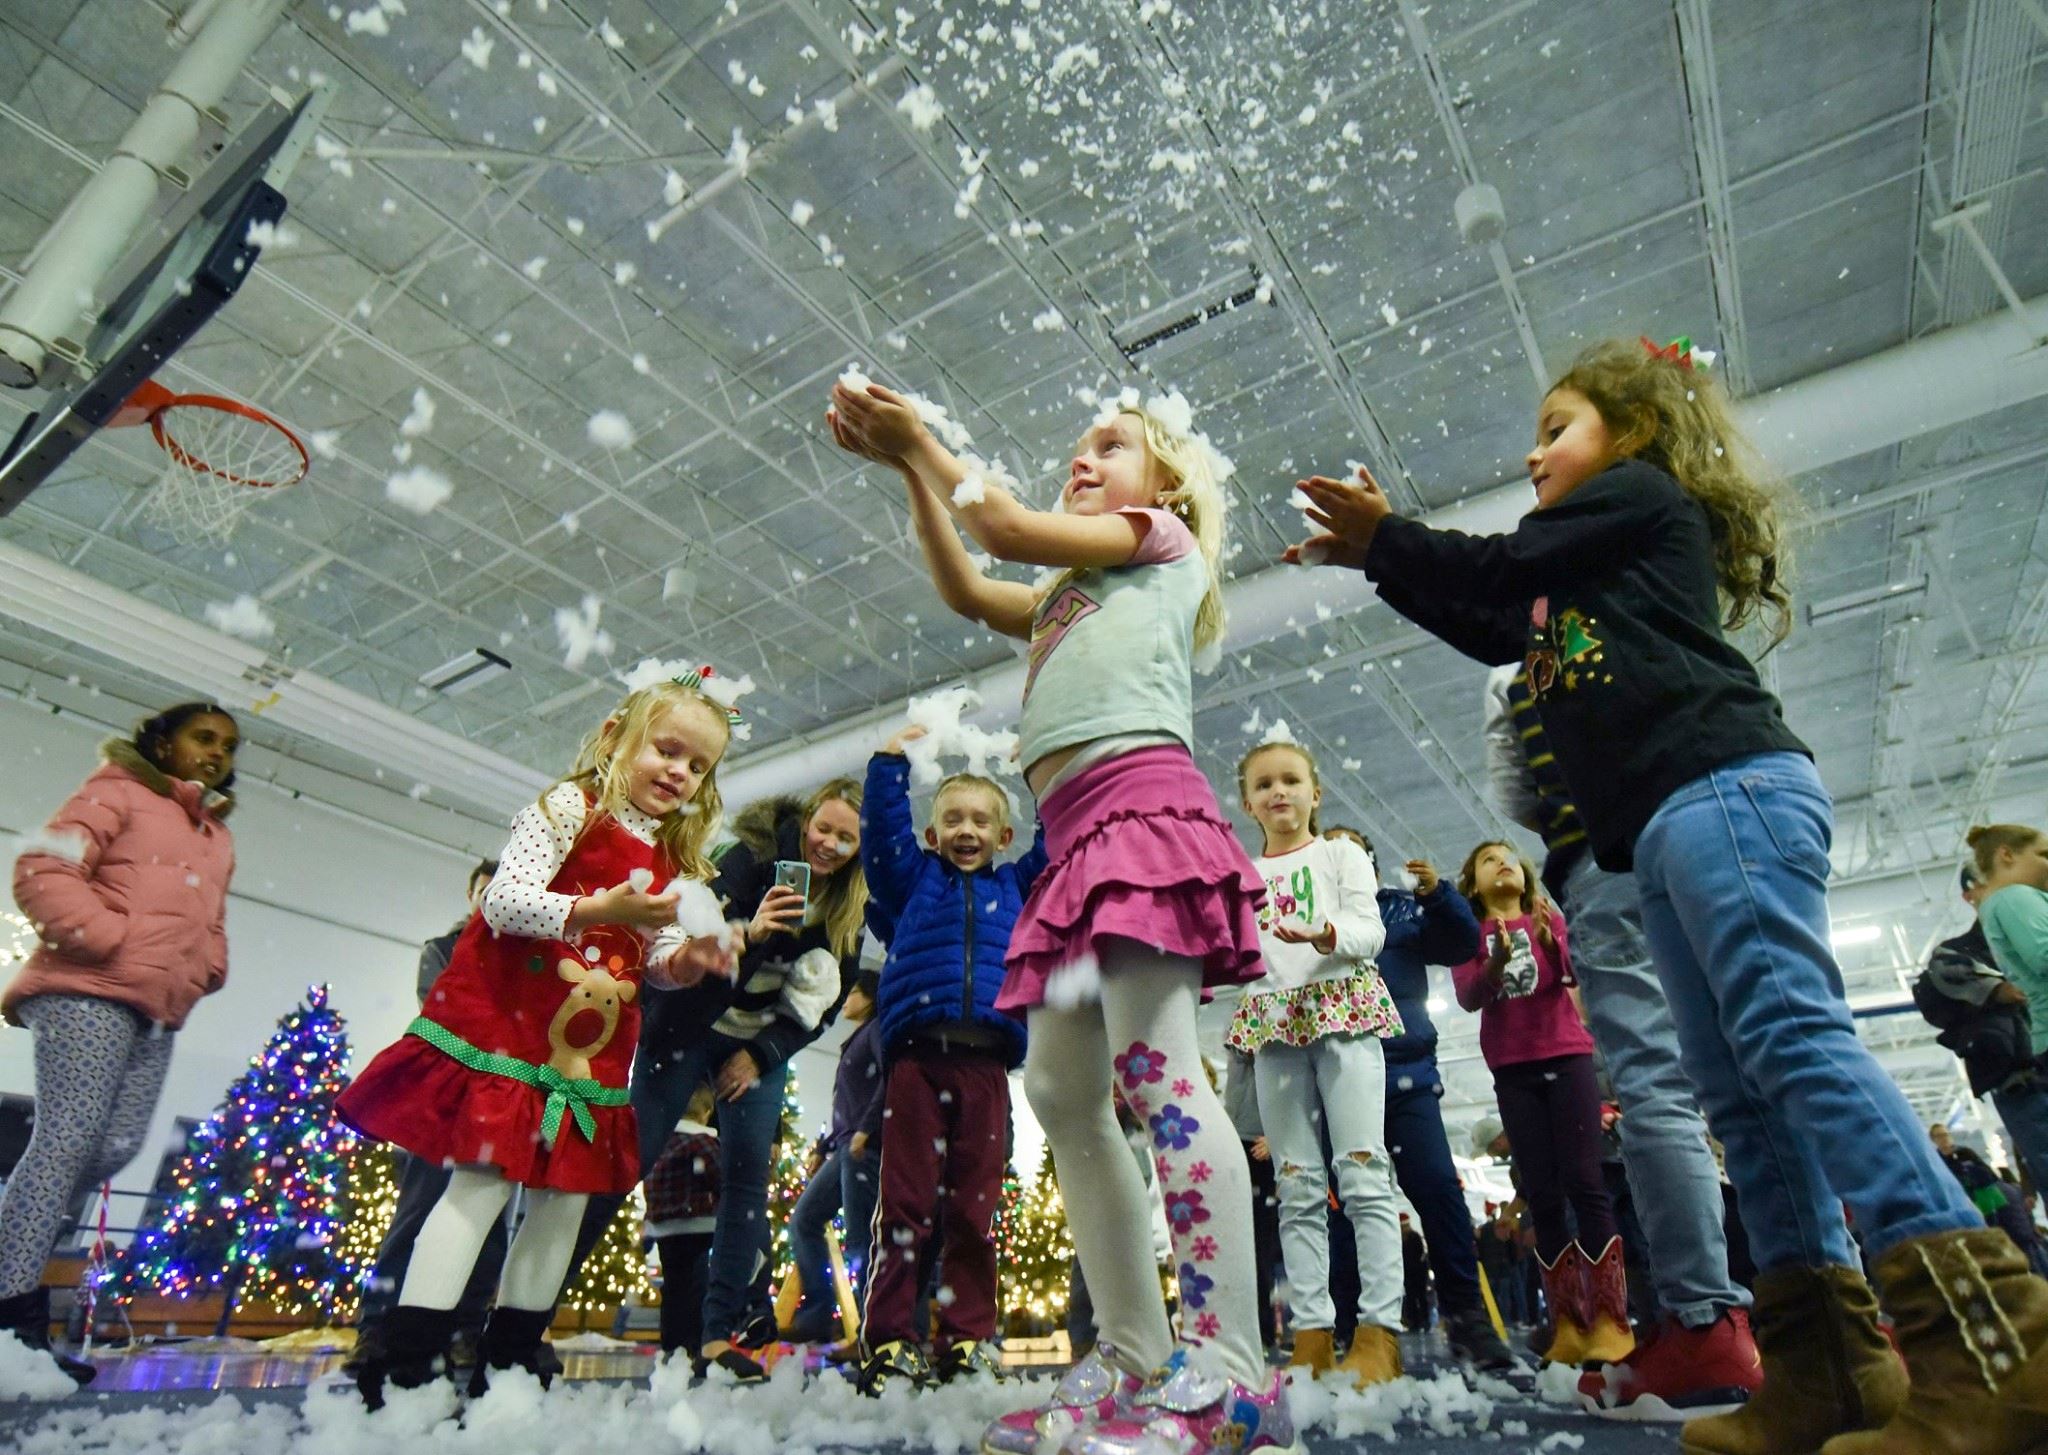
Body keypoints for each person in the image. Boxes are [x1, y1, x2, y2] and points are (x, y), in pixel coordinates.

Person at [1292, 334, 2047, 1455]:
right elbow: (1493, 619)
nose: (1533, 452)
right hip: (1659, 825)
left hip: (1723, 787)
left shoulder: (1637, 500)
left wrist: (1387, 536)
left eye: (1555, 429)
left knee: (1790, 1040)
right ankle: (1824, 1364)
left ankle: (1992, 1340)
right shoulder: (1574, 588)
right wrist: (1380, 562)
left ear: (1630, 435)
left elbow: (1497, 571)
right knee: (1733, 1091)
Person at [828, 380, 1293, 1455]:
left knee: (1158, 1073)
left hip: (1139, 813)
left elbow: (992, 520)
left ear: (1164, 481)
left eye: (1109, 445)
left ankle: (1230, 1374)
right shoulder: (1058, 600)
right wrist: (907, 470)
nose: (1081, 460)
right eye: (1076, 449)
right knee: (1058, 1089)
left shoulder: (1156, 538)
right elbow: (964, 582)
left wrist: (926, 438)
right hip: (1077, 843)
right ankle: (1133, 1351)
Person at [336, 671, 742, 1405]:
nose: (678, 771)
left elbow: (653, 962)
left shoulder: (674, 863)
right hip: (510, 1034)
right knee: (480, 1188)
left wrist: (691, 960)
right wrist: (595, 909)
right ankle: (407, 1359)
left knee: (564, 1200)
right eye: (667, 749)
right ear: (619, 735)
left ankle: (514, 1355)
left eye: (697, 764)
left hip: (587, 1057)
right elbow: (505, 898)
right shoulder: (568, 807)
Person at [1482, 663, 1761, 1419]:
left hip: (1605, 855)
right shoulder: (1646, 607)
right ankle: (1826, 1307)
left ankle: (1705, 1318)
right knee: (1762, 1066)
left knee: (1656, 1090)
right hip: (1717, 827)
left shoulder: (1521, 668)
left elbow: (1516, 790)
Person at [0, 703, 240, 1386]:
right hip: (85, 988)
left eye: (227, 745)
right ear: (161, 741)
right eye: (203, 737)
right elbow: (43, 866)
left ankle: (10, 1270)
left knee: (117, 1145)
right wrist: (109, 938)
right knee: (66, 1140)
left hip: (158, 1008)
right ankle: (11, 1306)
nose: (216, 753)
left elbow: (211, 921)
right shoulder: (118, 789)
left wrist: (205, 970)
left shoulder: (216, 836)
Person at [623, 774, 870, 1381]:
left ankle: (718, 1337)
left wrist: (760, 1055)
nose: (831, 846)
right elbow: (702, 954)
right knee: (624, 1156)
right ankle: (526, 1316)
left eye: (846, 838)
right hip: (689, 1025)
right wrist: (756, 934)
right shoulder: (750, 858)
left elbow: (824, 1008)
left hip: (756, 1044)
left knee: (746, 1182)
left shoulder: (847, 912)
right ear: (805, 822)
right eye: (824, 829)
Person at [854, 729, 1048, 1391]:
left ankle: (967, 1337)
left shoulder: (1018, 889)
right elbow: (882, 840)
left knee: (976, 1206)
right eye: (953, 819)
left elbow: (1057, 848)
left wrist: (1041, 778)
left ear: (1002, 836)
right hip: (917, 1063)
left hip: (986, 1070)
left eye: (981, 820)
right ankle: (888, 1338)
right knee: (905, 1204)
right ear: (932, 835)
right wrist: (889, 765)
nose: (967, 829)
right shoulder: (914, 882)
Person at [1225, 740, 1403, 1388]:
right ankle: (1311, 1335)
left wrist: (1325, 934)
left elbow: (1371, 930)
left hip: (1343, 1011)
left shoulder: (1341, 854)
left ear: (1315, 792)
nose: (1279, 792)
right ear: (1247, 801)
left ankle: (1380, 1332)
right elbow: (1237, 954)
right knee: (1296, 1186)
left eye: (1291, 780)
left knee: (1361, 1171)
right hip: (1273, 1025)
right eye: (1265, 783)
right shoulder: (1242, 874)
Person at [1326, 824, 1514, 1371]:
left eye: (1355, 850)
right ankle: (1349, 1326)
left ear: (1372, 863)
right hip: (1337, 1081)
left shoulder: (1401, 912)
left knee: (1437, 1189)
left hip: (1405, 1074)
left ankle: (1466, 1317)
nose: (1344, 860)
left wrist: (1439, 895)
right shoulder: (1310, 916)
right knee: (1344, 1208)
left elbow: (1460, 943)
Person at [1452, 841, 1628, 1367]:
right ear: (1473, 885)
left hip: (1569, 1058)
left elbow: (1575, 978)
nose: (1502, 862)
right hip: (1513, 1069)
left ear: (1525, 875)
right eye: (1487, 860)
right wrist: (1495, 963)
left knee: (1585, 1181)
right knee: (1544, 1195)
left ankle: (1611, 1322)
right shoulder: (1471, 935)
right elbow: (1468, 996)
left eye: (1509, 856)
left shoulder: (1548, 920)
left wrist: (1553, 946)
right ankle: (1568, 1322)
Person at [348, 859, 509, 1377]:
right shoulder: (444, 950)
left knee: (488, 1223)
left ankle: (465, 1329)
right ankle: (377, 1327)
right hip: (443, 1101)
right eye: (485, 890)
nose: (492, 899)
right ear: (471, 895)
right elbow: (448, 1009)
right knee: (415, 1212)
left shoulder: (527, 958)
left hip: (498, 1103)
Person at [1916, 860, 2048, 1197]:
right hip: (2025, 1082)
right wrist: (1997, 990)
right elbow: (1946, 978)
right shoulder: (1956, 954)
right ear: (1970, 894)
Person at [787, 971, 884, 1346]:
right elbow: (846, 1103)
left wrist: (867, 1128)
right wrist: (824, 1147)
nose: (845, 999)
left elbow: (886, 1081)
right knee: (804, 1221)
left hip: (862, 1148)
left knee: (861, 1239)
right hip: (843, 1148)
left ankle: (870, 1331)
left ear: (871, 997)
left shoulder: (876, 1032)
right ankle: (818, 1316)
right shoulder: (855, 1039)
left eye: (854, 992)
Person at [644, 1086, 721, 1361]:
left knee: (674, 1285)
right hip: (698, 1223)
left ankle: (672, 1342)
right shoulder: (703, 1142)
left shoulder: (661, 1141)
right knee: (697, 1284)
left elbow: (650, 1182)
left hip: (665, 1228)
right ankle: (695, 1343)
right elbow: (719, 1176)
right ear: (707, 1113)